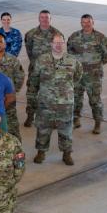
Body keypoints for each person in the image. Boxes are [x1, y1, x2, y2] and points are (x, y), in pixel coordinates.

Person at [29, 33, 83, 165]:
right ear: (51, 44)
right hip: (45, 104)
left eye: (61, 42)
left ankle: (66, 154)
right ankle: (41, 153)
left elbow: (77, 78)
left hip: (65, 104)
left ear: (64, 44)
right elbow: (34, 80)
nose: (58, 45)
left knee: (66, 130)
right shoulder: (41, 60)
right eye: (56, 42)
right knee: (43, 129)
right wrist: (32, 100)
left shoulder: (72, 61)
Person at [67, 14, 107, 134]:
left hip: (94, 75)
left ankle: (97, 122)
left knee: (95, 100)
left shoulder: (101, 38)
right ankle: (76, 120)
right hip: (77, 75)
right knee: (76, 98)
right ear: (80, 23)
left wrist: (95, 65)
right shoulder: (74, 36)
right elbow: (69, 52)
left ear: (93, 22)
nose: (86, 24)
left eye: (88, 22)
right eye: (83, 22)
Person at [24, 10, 63, 127]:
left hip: (50, 73)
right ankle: (30, 116)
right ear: (38, 19)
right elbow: (29, 50)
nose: (44, 20)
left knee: (51, 96)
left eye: (47, 18)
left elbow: (59, 52)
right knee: (31, 94)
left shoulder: (57, 34)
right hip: (35, 70)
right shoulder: (31, 34)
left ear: (50, 19)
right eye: (42, 17)